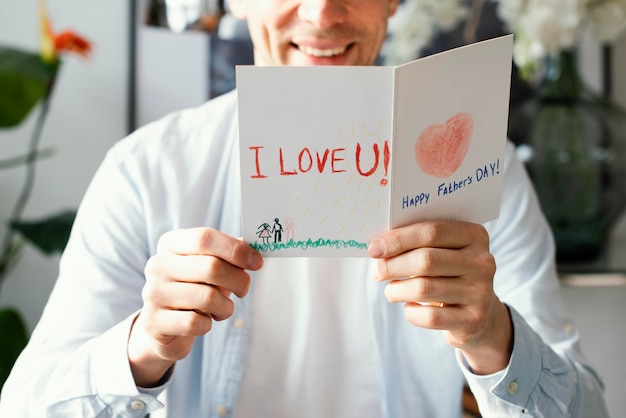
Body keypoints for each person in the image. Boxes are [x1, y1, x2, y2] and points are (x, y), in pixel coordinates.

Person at [0, 0, 609, 417]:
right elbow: (25, 406)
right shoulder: (148, 172)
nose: (322, 13)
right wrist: (142, 348)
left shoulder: (486, 172)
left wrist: (491, 335)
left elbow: (587, 409)